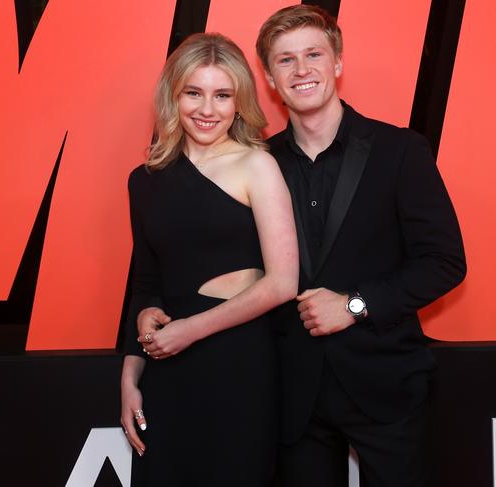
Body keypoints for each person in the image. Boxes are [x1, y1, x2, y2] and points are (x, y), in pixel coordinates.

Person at [253, 5, 467, 487]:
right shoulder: (257, 163)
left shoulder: (401, 151)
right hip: (293, 397)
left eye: (314, 54)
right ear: (269, 77)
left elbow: (444, 261)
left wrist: (356, 304)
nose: (302, 69)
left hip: (385, 384)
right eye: (285, 60)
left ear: (338, 63)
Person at [120, 32, 298, 486]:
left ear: (239, 103)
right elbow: (145, 281)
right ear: (172, 96)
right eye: (193, 93)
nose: (207, 109)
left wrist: (190, 330)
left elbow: (282, 283)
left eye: (222, 95)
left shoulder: (257, 166)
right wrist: (130, 373)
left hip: (237, 362)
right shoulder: (144, 181)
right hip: (168, 368)